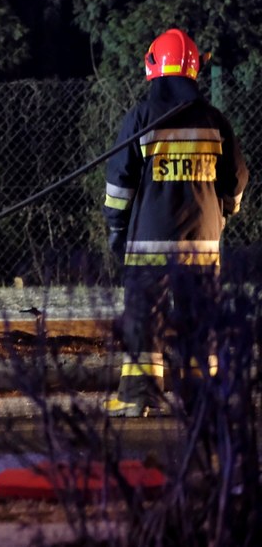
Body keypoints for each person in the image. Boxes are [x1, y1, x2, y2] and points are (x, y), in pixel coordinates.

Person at [102, 29, 249, 417]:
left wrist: (117, 229)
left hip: (149, 244)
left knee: (142, 320)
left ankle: (138, 397)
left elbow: (120, 184)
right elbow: (236, 178)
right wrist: (226, 212)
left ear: (153, 67)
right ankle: (201, 399)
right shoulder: (215, 121)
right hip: (202, 246)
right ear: (194, 70)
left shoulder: (141, 118)